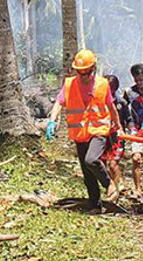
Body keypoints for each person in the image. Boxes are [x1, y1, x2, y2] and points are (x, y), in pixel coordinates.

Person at [48, 49, 122, 212]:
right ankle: (95, 204)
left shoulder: (103, 84)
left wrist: (118, 126)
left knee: (91, 160)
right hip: (80, 134)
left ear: (93, 69)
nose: (83, 76)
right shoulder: (69, 84)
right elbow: (59, 103)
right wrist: (52, 121)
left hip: (99, 131)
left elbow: (111, 107)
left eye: (86, 73)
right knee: (87, 171)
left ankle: (108, 183)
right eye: (80, 73)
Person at [123, 63, 143, 200]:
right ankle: (137, 188)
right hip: (137, 130)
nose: (139, 83)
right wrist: (129, 126)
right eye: (136, 80)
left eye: (142, 79)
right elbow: (123, 109)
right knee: (136, 158)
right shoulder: (130, 92)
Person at [104, 75, 129, 197]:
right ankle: (111, 186)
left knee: (113, 163)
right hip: (103, 136)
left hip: (117, 137)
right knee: (103, 164)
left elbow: (129, 119)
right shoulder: (98, 100)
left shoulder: (121, 103)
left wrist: (131, 131)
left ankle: (116, 191)